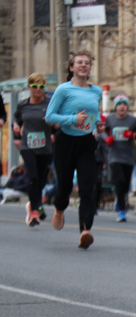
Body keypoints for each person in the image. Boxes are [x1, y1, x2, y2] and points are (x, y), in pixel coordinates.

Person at [45, 50, 104, 250]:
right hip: (65, 142)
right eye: (79, 62)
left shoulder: (96, 91)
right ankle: (59, 208)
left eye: (87, 63)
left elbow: (95, 114)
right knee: (64, 187)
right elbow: (50, 117)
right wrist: (72, 120)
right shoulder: (63, 89)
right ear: (72, 67)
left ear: (89, 68)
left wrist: (98, 124)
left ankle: (85, 231)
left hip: (86, 142)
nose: (83, 65)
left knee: (88, 188)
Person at [12, 73, 55, 226]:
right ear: (30, 87)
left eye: (41, 86)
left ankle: (34, 204)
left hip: (45, 146)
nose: (38, 89)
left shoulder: (50, 103)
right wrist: (16, 129)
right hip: (27, 145)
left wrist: (54, 133)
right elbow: (16, 119)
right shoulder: (23, 104)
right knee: (33, 177)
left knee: (42, 180)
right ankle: (34, 211)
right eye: (35, 86)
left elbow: (57, 121)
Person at [102, 94, 136, 222]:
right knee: (120, 181)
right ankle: (121, 211)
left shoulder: (133, 121)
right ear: (116, 107)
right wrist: (107, 138)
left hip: (128, 157)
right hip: (114, 156)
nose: (122, 107)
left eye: (124, 105)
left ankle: (119, 200)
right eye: (119, 105)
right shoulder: (110, 120)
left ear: (127, 107)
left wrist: (133, 134)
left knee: (126, 184)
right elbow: (102, 132)